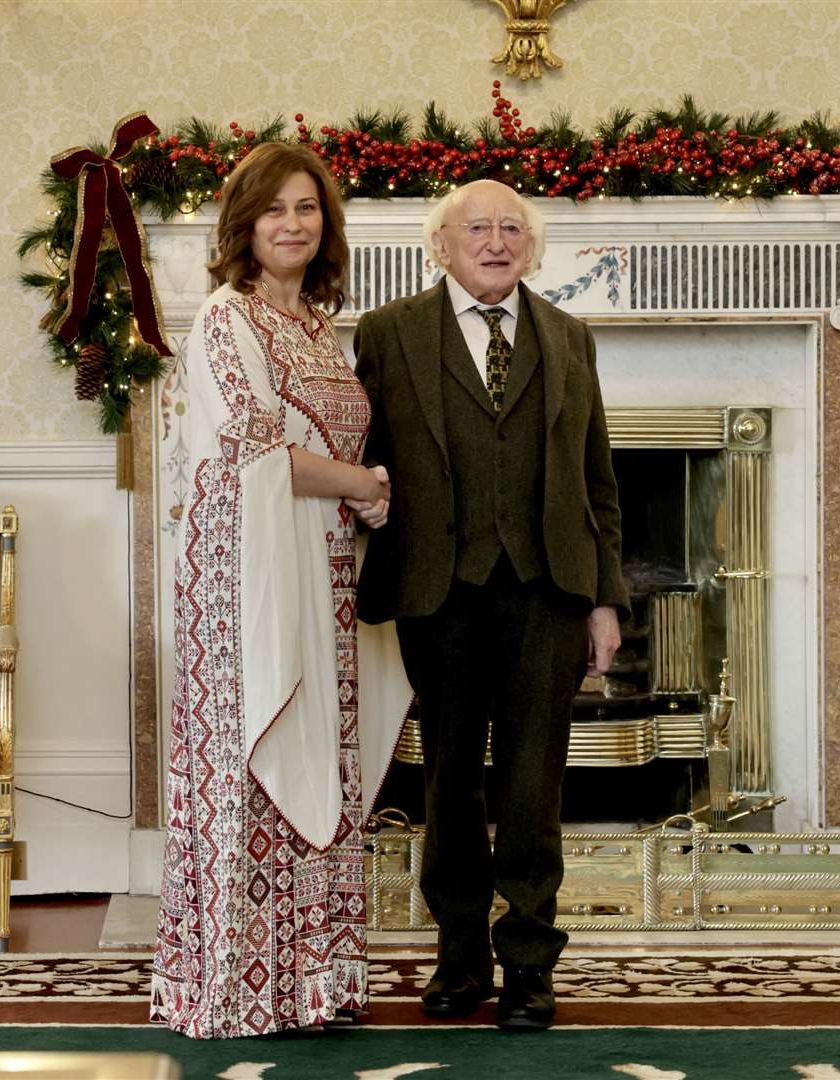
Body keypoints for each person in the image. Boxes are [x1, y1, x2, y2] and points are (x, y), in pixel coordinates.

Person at [353, 179, 629, 1032]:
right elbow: (359, 457)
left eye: (513, 227)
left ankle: (531, 966)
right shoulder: (389, 334)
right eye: (478, 227)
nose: (497, 240)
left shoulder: (570, 336)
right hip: (439, 590)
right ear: (441, 244)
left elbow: (598, 481)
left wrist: (606, 601)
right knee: (450, 785)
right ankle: (460, 957)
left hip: (550, 590)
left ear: (533, 247)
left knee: (532, 784)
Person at [152, 142, 410, 1039]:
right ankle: (233, 988)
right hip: (250, 583)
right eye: (275, 211)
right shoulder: (229, 318)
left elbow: (331, 455)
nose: (293, 225)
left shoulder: (317, 325)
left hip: (327, 578)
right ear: (245, 226)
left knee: (323, 768)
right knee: (258, 764)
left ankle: (312, 983)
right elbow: (252, 453)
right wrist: (365, 485)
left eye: (307, 209)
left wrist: (364, 498)